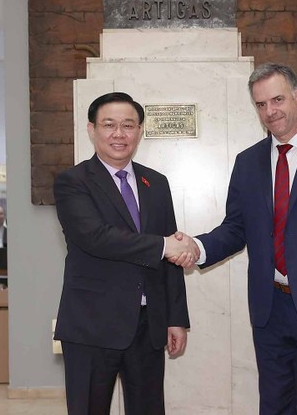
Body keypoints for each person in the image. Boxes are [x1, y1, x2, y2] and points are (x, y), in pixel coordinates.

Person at [173, 63, 297, 414]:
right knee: (275, 404)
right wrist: (199, 246)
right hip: (270, 308)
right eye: (261, 104)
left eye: (277, 99)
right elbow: (236, 228)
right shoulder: (247, 162)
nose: (270, 111)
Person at [53, 91, 196, 415]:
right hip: (91, 325)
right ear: (92, 129)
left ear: (140, 131)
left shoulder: (155, 183)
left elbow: (170, 257)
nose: (119, 134)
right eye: (109, 125)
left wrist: (175, 319)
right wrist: (163, 245)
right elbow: (96, 237)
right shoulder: (73, 182)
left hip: (148, 325)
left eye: (128, 125)